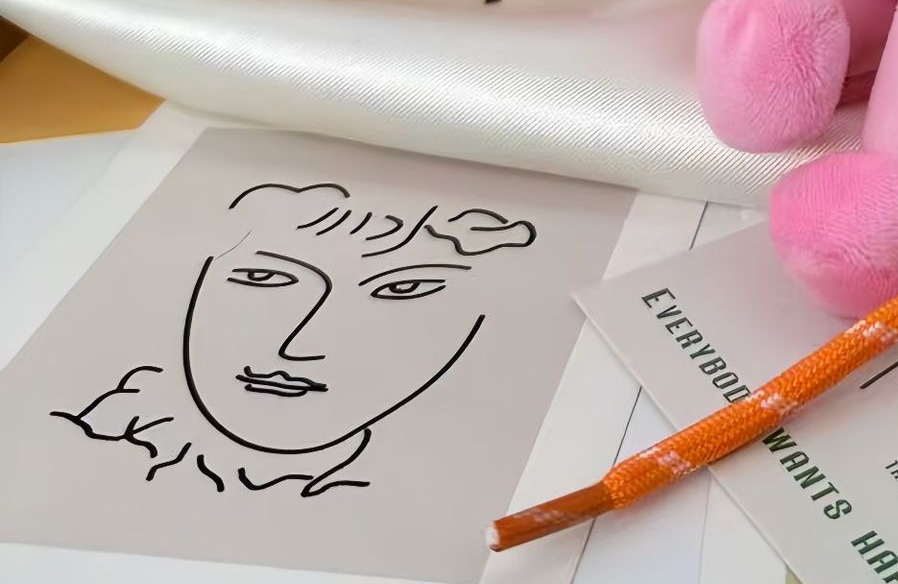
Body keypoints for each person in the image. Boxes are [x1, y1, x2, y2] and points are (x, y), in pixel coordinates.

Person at [53, 180, 537, 495]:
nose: (299, 345)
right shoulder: (82, 443)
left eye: (401, 289)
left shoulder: (472, 476)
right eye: (264, 277)